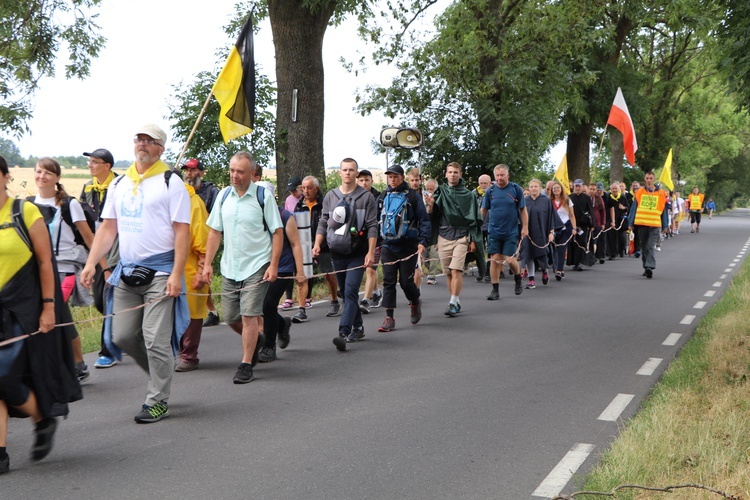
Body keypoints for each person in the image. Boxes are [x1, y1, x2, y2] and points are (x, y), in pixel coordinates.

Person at [81, 123, 191, 423]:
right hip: (126, 272)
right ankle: (162, 373)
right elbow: (107, 228)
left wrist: (175, 274)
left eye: (149, 140)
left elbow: (183, 232)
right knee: (124, 336)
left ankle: (157, 399)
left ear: (160, 148)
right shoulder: (119, 184)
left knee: (155, 339)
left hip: (161, 272)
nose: (142, 144)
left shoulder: (171, 182)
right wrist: (92, 262)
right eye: (139, 139)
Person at [0, 155, 81, 474]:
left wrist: (49, 307)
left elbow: (46, 263)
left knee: (4, 375)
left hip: (26, 305)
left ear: (5, 176)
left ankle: (43, 416)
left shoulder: (25, 211)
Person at [203, 151, 283, 383]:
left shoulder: (262, 196)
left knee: (249, 315)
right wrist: (207, 264)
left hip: (257, 264)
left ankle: (246, 364)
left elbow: (277, 232)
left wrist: (274, 265)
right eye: (232, 170)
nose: (234, 175)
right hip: (230, 267)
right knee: (230, 316)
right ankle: (258, 339)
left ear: (251, 174)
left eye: (240, 172)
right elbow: (215, 231)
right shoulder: (224, 195)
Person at [34, 157, 100, 381]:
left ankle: (69, 365)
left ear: (57, 178)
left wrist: (103, 268)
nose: (42, 176)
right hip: (38, 272)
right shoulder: (27, 205)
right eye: (39, 171)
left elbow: (90, 238)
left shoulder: (69, 204)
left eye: (48, 173)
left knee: (55, 314)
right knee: (60, 318)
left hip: (66, 271)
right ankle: (77, 364)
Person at [313, 158, 378, 351]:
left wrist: (370, 252)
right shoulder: (331, 197)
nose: (348, 173)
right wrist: (317, 243)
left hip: (357, 253)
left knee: (350, 291)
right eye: (344, 170)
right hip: (337, 251)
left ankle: (343, 331)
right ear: (339, 173)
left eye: (351, 170)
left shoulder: (366, 198)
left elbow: (372, 226)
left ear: (357, 173)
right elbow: (324, 222)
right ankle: (358, 327)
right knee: (345, 293)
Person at [375, 165, 430, 332]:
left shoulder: (413, 197)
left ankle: (415, 301)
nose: (392, 179)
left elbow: (424, 220)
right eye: (390, 176)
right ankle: (389, 317)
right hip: (388, 246)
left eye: (395, 176)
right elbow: (377, 220)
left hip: (408, 246)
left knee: (406, 282)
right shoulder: (383, 196)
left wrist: (423, 241)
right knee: (389, 281)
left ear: (402, 177)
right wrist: (376, 243)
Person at [425, 161, 485, 316]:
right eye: (450, 172)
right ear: (446, 174)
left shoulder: (468, 195)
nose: (452, 174)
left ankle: (452, 301)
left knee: (456, 269)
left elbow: (473, 220)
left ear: (460, 174)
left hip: (461, 237)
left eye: (455, 172)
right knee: (448, 273)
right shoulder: (441, 192)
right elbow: (434, 216)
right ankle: (456, 301)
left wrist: (472, 239)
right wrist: (430, 206)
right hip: (444, 236)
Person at [257, 181, 306, 363]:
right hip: (261, 267)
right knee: (259, 306)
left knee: (267, 304)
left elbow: (296, 244)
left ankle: (269, 346)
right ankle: (282, 323)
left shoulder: (285, 216)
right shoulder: (254, 216)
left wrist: (300, 271)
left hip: (283, 268)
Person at [80, 148, 119, 369]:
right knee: (100, 301)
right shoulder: (87, 188)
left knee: (109, 300)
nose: (91, 165)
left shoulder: (120, 186)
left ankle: (108, 351)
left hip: (118, 251)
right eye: (89, 162)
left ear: (107, 166)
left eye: (95, 162)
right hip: (97, 251)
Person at [174, 172, 210, 372]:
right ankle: (177, 352)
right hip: (166, 268)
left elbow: (203, 241)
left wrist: (201, 270)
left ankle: (189, 355)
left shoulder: (193, 203)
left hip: (189, 268)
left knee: (191, 314)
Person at [180, 158, 222, 328]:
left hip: (209, 237)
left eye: (193, 170)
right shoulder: (181, 193)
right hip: (191, 240)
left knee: (203, 274)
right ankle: (212, 310)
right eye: (187, 170)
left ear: (201, 173)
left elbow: (217, 217)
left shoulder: (212, 192)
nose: (189, 174)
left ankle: (210, 311)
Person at [294, 175, 340, 323]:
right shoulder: (299, 205)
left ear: (316, 188)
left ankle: (334, 301)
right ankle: (301, 309)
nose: (306, 191)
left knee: (328, 274)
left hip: (324, 244)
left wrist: (319, 243)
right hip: (304, 244)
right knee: (302, 277)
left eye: (309, 188)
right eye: (303, 188)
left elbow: (329, 223)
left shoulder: (324, 204)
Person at [481, 164, 528, 300]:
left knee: (510, 260)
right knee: (494, 259)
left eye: (502, 175)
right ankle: (495, 290)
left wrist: (525, 227)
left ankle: (518, 278)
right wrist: (477, 226)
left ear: (508, 175)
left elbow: (523, 210)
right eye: (497, 175)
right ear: (494, 177)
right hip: (494, 231)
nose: (500, 178)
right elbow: (483, 210)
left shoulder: (515, 189)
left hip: (511, 231)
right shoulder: (490, 191)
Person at [627, 171, 669, 279]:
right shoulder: (639, 192)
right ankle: (646, 267)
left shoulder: (661, 193)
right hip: (642, 224)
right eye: (647, 178)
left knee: (650, 246)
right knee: (644, 247)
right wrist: (630, 223)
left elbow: (663, 211)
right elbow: (633, 209)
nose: (649, 180)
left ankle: (650, 266)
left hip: (655, 225)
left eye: (651, 178)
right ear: (644, 179)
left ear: (654, 179)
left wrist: (665, 226)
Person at [521, 179, 558, 289]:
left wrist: (551, 232)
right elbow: (520, 217)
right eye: (531, 186)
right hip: (528, 233)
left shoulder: (545, 201)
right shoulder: (525, 201)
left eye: (536, 186)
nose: (533, 188)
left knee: (542, 255)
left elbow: (552, 217)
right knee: (528, 254)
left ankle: (544, 271)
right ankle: (531, 280)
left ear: (539, 188)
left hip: (542, 232)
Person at [357, 169, 383, 313]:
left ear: (371, 181)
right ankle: (377, 292)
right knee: (367, 269)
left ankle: (365, 300)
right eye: (361, 180)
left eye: (366, 180)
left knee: (370, 268)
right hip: (359, 239)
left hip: (376, 239)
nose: (364, 183)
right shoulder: (353, 197)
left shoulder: (379, 198)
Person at [279, 175, 303, 310]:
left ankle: (306, 296)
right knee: (290, 267)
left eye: (295, 190)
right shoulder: (289, 200)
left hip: (303, 233)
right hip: (291, 232)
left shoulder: (304, 199)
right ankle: (288, 297)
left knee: (303, 266)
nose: (293, 193)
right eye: (291, 191)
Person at [549, 181, 576, 281]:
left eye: (558, 188)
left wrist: (574, 227)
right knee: (555, 249)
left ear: (561, 189)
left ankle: (559, 270)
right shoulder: (549, 201)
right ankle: (558, 267)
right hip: (554, 227)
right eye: (554, 188)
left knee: (562, 248)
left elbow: (572, 215)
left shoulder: (567, 200)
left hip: (566, 226)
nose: (556, 190)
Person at [568, 179, 594, 271]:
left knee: (582, 242)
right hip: (572, 224)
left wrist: (592, 225)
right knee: (572, 243)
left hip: (582, 225)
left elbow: (591, 211)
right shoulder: (569, 197)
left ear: (582, 186)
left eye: (579, 186)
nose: (577, 188)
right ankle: (573, 261)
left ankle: (580, 262)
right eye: (576, 186)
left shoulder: (587, 198)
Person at [473, 174, 493, 283]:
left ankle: (489, 272)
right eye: (481, 183)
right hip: (479, 226)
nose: (483, 185)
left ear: (490, 183)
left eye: (485, 183)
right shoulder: (473, 194)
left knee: (490, 250)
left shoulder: (494, 193)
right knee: (478, 250)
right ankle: (481, 271)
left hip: (491, 225)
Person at [422, 178, 440, 285]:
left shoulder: (438, 201)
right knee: (425, 257)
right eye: (427, 189)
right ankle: (429, 270)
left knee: (434, 254)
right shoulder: (421, 200)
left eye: (431, 189)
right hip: (424, 233)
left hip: (435, 232)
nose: (429, 191)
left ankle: (432, 275)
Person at [605, 182, 630, 260]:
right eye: (613, 189)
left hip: (620, 219)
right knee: (611, 237)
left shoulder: (622, 197)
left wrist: (623, 208)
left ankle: (621, 250)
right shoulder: (608, 197)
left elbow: (628, 207)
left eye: (616, 188)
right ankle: (613, 253)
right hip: (611, 219)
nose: (614, 190)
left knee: (621, 237)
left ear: (618, 189)